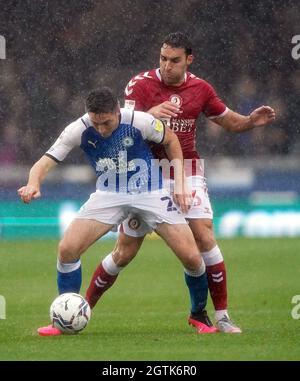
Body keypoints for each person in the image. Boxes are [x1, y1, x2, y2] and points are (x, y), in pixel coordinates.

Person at [85, 32, 276, 333]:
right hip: (144, 172)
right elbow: (120, 133)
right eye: (163, 58)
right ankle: (83, 308)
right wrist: (149, 116)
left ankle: (220, 315)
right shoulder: (140, 84)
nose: (167, 65)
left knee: (204, 236)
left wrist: (250, 121)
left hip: (185, 168)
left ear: (189, 59)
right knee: (125, 251)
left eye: (174, 60)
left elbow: (229, 121)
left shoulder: (201, 89)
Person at [18, 87, 217, 336]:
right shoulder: (77, 129)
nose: (101, 129)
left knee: (191, 257)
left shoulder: (139, 121)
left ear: (117, 111)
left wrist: (179, 182)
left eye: (106, 122)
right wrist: (33, 183)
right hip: (109, 194)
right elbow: (45, 161)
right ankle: (64, 318)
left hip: (151, 192)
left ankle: (198, 314)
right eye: (96, 123)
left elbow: (171, 140)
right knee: (67, 249)